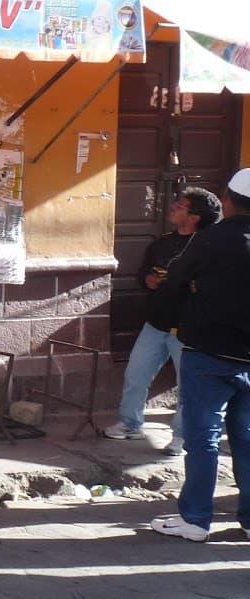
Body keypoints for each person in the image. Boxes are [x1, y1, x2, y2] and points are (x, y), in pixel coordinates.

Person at [146, 168, 250, 542]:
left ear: (226, 200)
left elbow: (173, 281)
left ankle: (195, 519)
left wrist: (191, 292)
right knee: (247, 438)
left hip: (208, 354)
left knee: (203, 439)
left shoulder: (210, 240)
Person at [104, 186, 221, 451]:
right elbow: (143, 270)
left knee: (187, 385)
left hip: (188, 328)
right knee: (136, 374)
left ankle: (182, 434)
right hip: (155, 323)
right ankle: (130, 423)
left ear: (194, 217)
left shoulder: (209, 247)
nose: (174, 206)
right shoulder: (162, 243)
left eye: (181, 205)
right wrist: (147, 280)